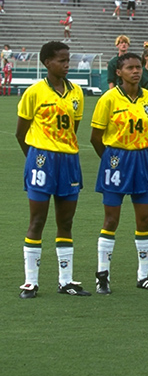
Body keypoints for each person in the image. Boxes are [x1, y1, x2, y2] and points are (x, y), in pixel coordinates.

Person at [16, 41, 89, 299]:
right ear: (47, 62)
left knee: (66, 222)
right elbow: (20, 132)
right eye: (61, 60)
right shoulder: (34, 92)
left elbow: (74, 128)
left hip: (68, 161)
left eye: (68, 60)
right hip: (41, 160)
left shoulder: (77, 93)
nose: (67, 64)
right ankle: (31, 282)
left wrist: (62, 151)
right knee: (37, 220)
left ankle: (66, 281)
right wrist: (37, 158)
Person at [90, 52, 148, 294]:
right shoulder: (109, 99)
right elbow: (95, 137)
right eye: (130, 67)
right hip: (116, 159)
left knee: (144, 218)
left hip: (141, 159)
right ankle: (102, 275)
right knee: (111, 219)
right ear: (119, 73)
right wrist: (112, 160)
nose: (136, 71)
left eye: (138, 67)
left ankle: (144, 275)